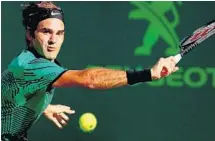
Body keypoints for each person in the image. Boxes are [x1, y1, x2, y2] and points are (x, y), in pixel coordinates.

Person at [1, 1, 179, 141]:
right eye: (46, 32)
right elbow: (89, 79)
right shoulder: (32, 65)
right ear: (30, 34)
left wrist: (41, 106)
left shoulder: (30, 62)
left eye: (60, 33)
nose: (53, 40)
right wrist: (148, 73)